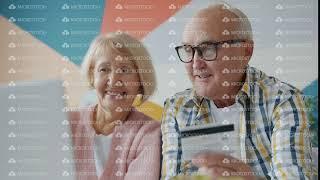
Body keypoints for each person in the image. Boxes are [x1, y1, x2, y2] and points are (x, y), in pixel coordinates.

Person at [161, 3, 313, 180]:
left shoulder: (284, 100)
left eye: (208, 48)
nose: (196, 63)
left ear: (245, 51)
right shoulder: (177, 108)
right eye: (188, 50)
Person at [69, 32, 160, 180]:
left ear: (141, 81)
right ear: (93, 77)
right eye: (104, 69)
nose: (114, 80)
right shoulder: (68, 123)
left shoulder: (149, 133)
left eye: (124, 70)